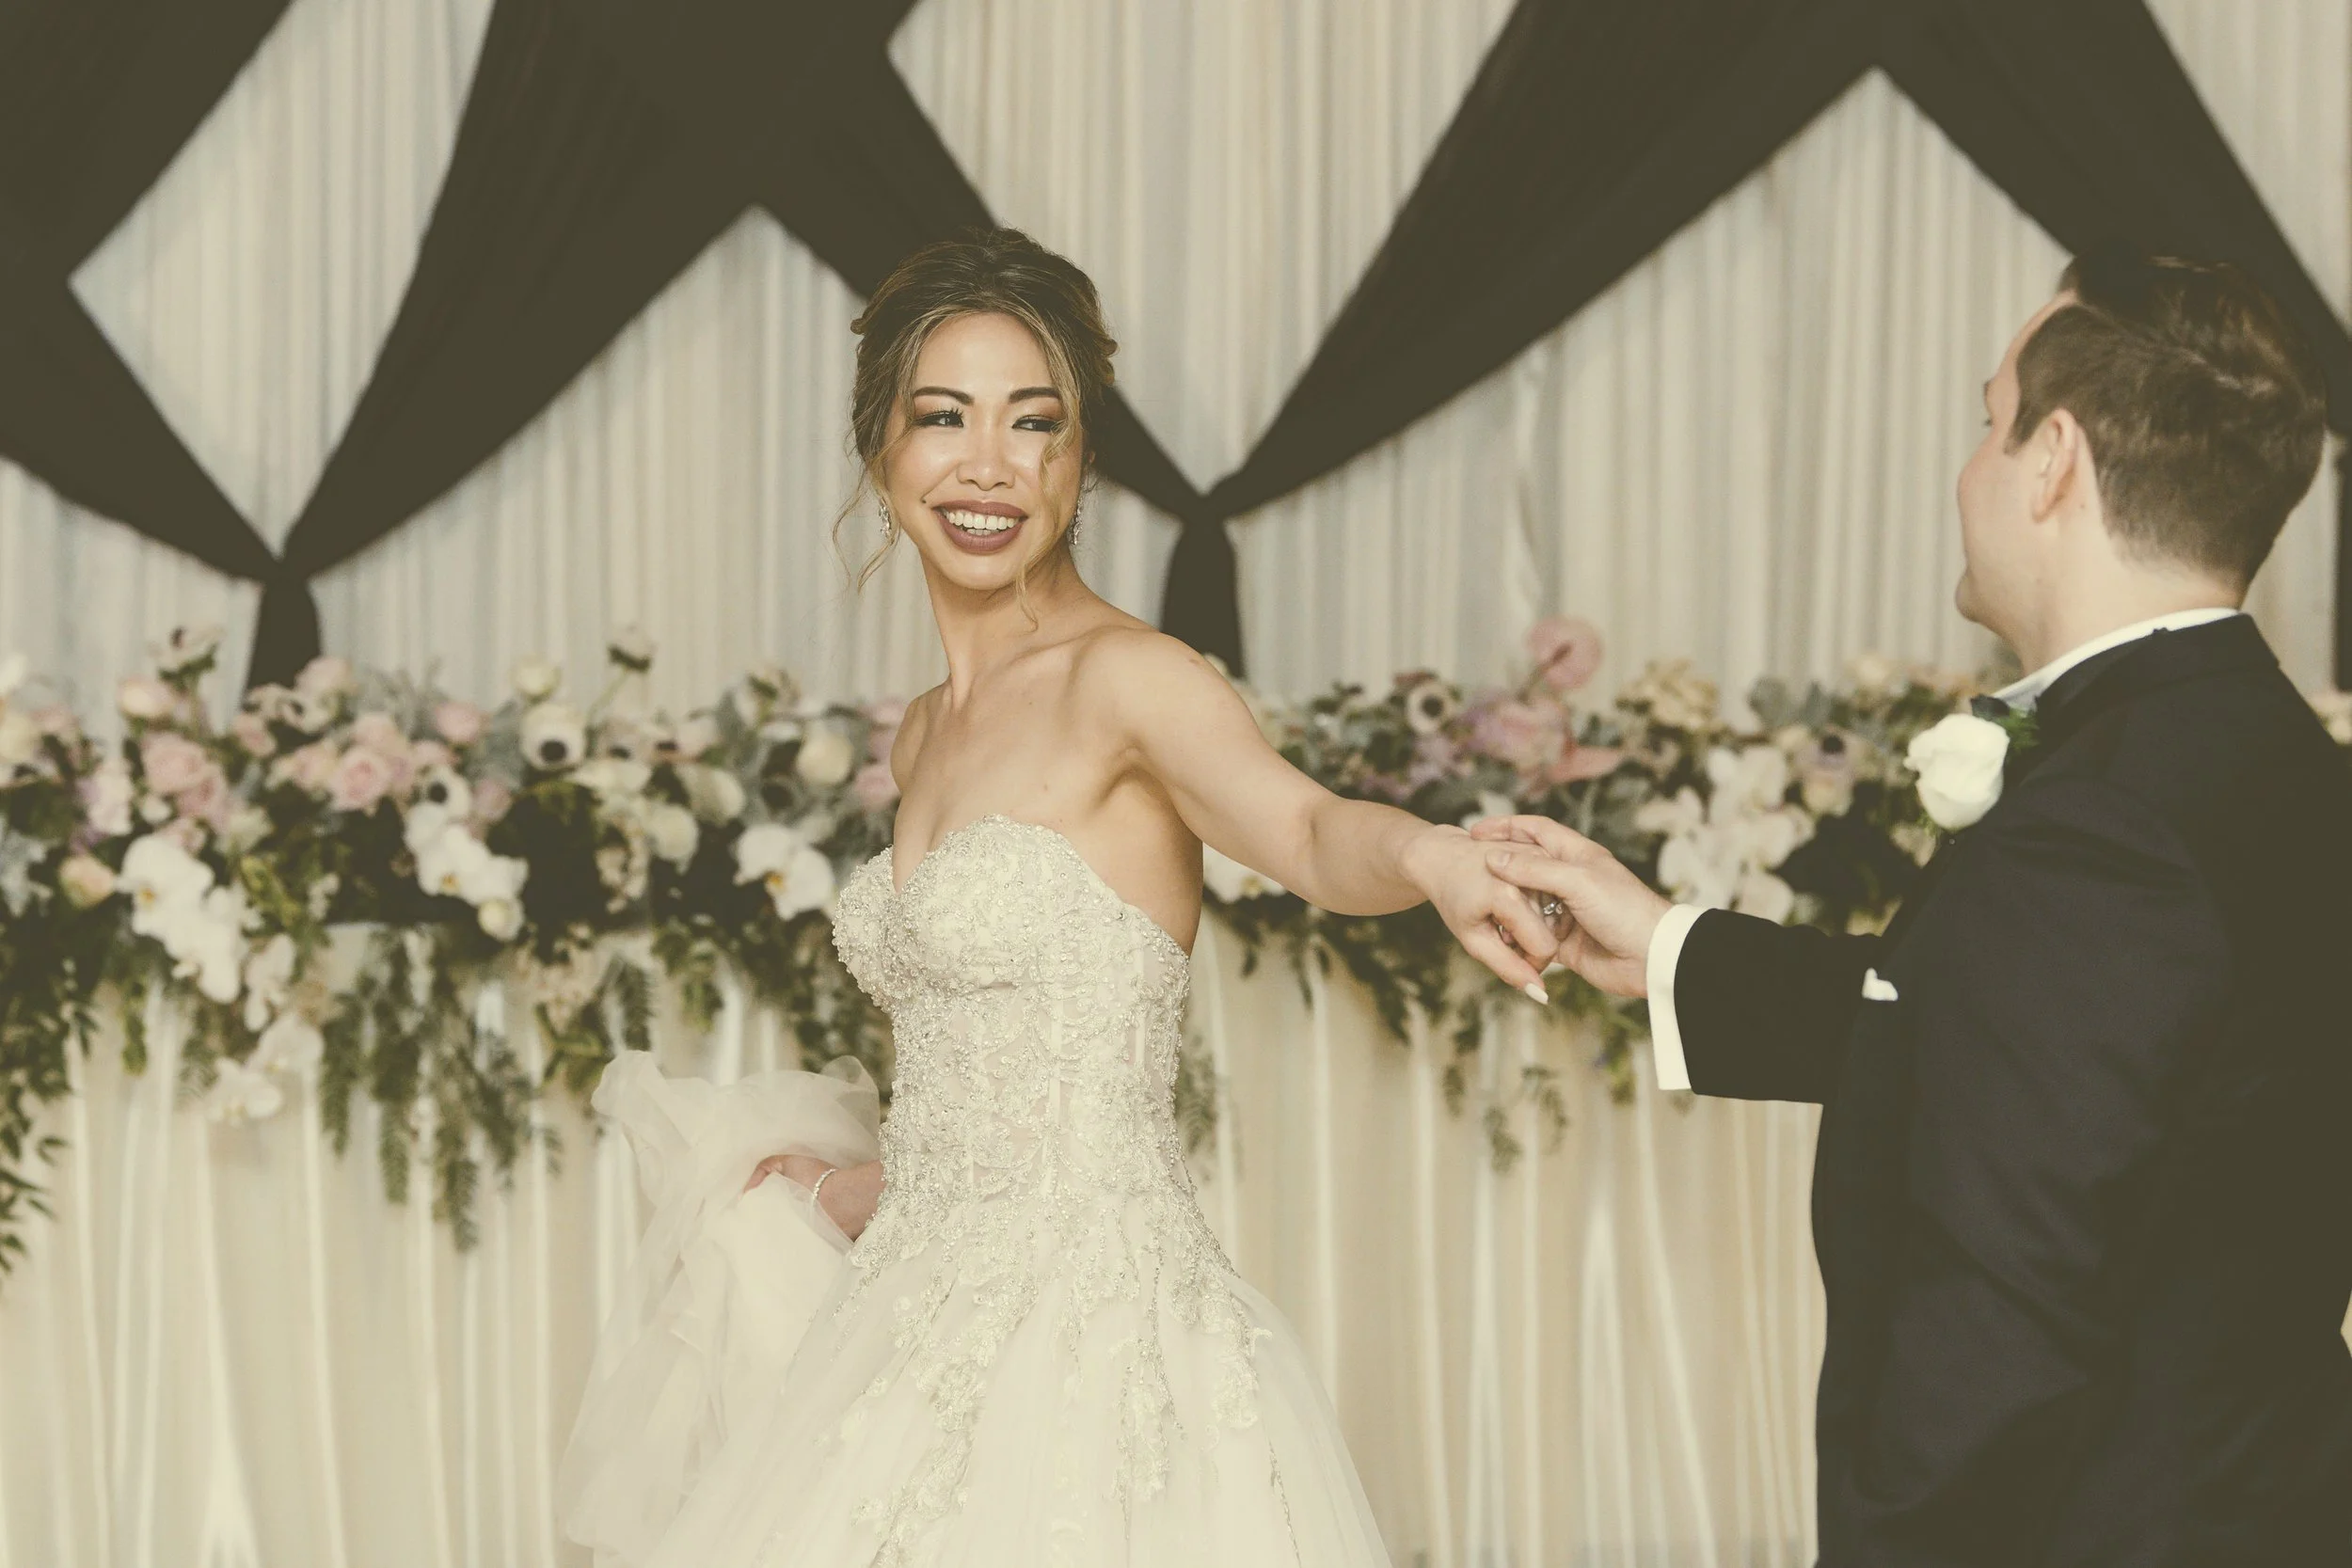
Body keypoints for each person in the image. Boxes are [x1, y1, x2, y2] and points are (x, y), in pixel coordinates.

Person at [558, 227, 1562, 1567]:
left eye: (1034, 423)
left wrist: (1432, 857)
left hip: (1096, 1352)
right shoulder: (925, 733)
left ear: (1079, 462)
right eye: (943, 418)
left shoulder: (1131, 680)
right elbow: (999, 1086)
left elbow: (1310, 828)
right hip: (913, 1326)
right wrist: (854, 1186)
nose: (988, 464)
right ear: (881, 451)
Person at [1481, 252, 2352, 1565]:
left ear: (2053, 460)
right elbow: (2067, 1056)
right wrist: (1669, 947)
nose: (1968, 470)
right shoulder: (2268, 759)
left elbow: (2005, 1314)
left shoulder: (2105, 820)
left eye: (1988, 421)